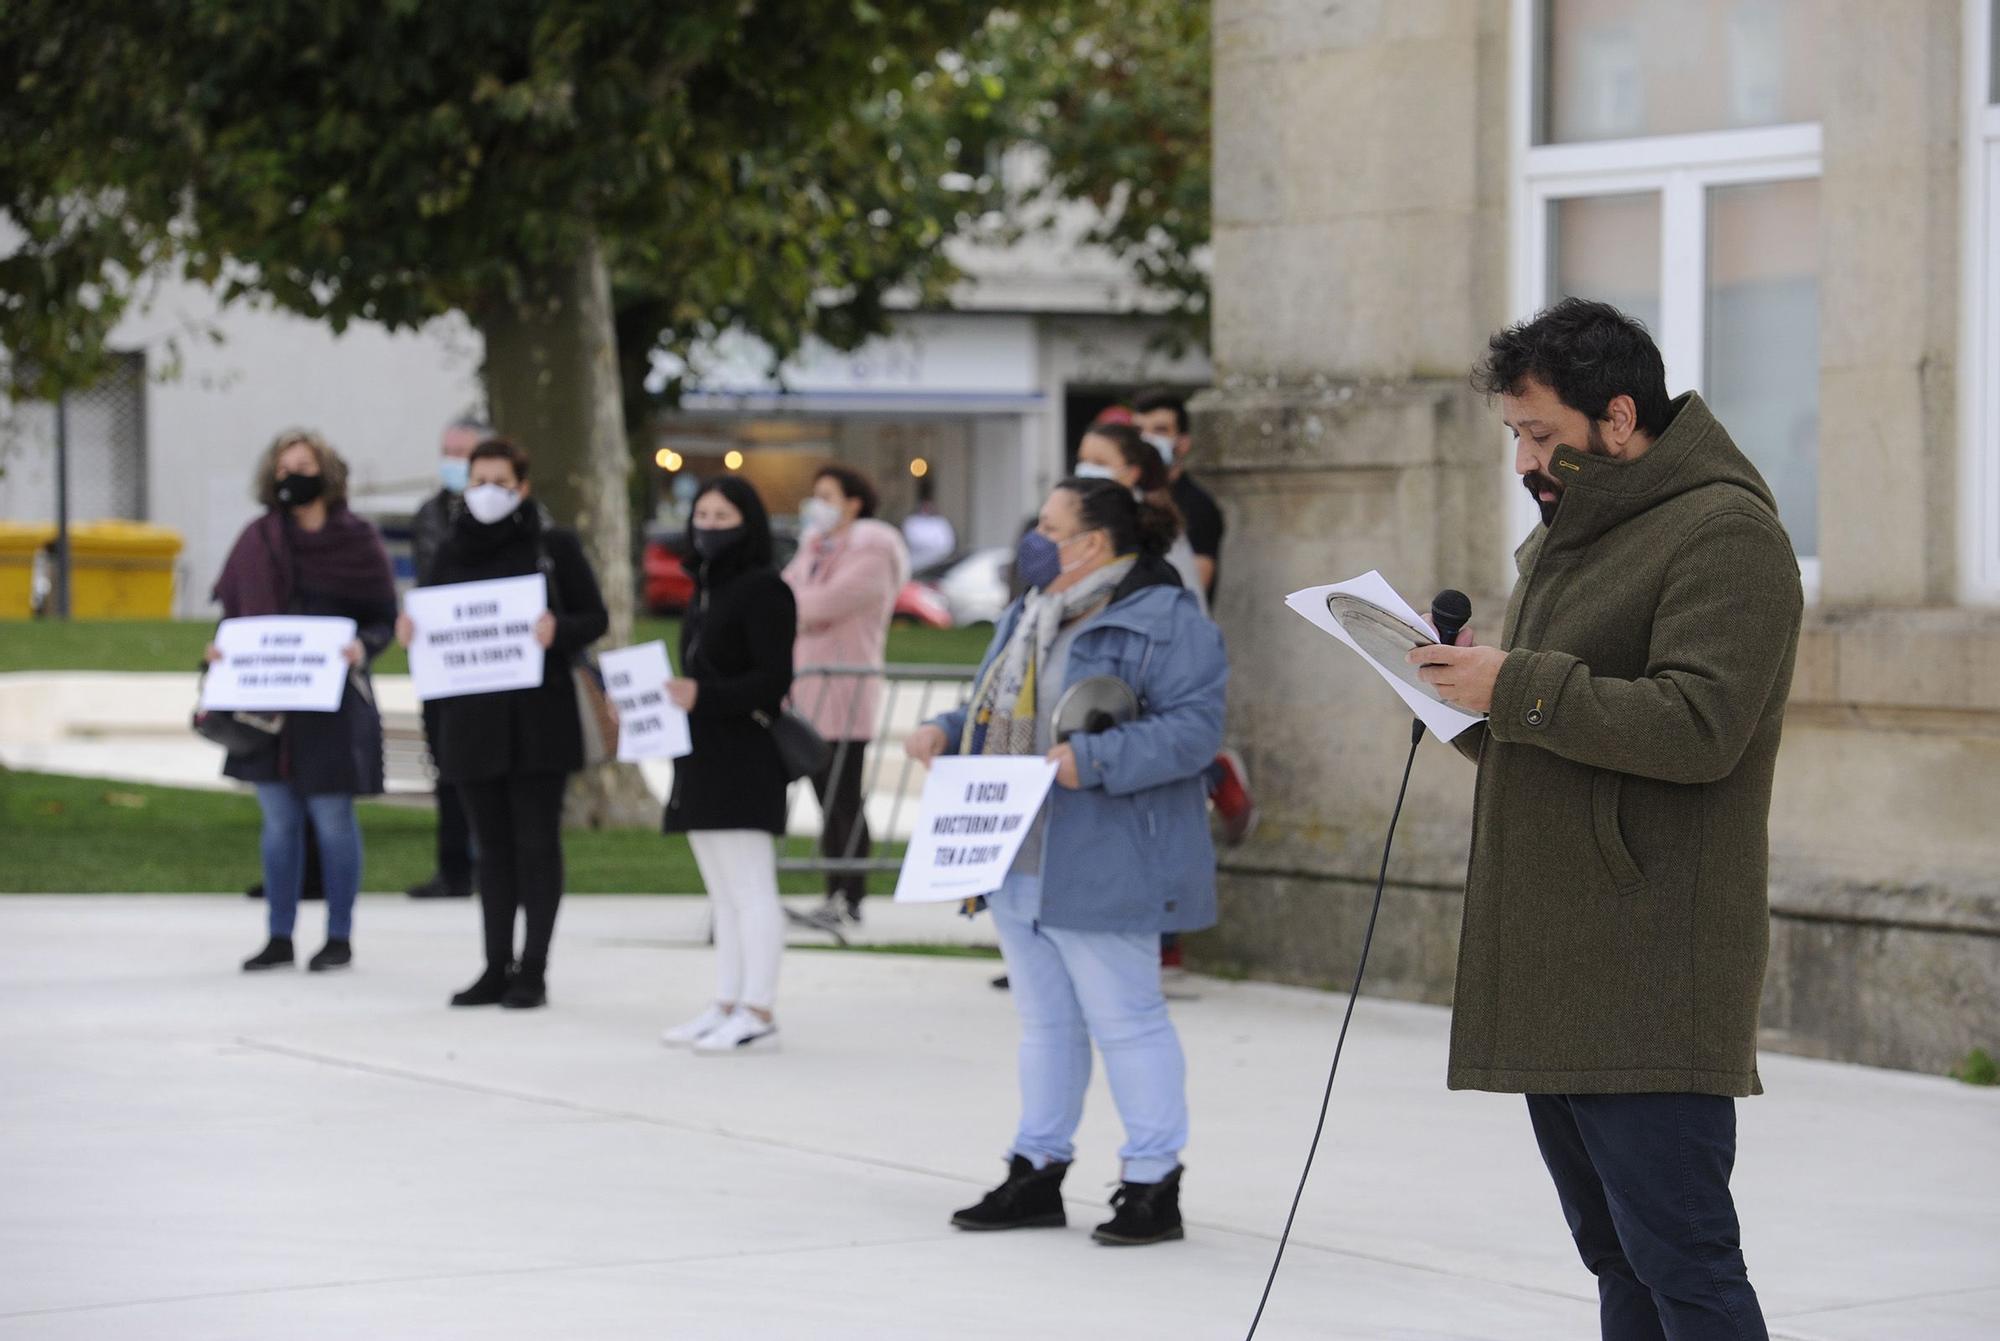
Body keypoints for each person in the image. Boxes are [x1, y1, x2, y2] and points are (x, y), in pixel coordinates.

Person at [1410, 298, 1801, 1340]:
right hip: (1559, 954)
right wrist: (1454, 698)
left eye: (1538, 434)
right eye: (1512, 436)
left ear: (1617, 419)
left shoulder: (1724, 532)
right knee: (1616, 1261)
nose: (1523, 460)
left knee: (1684, 1264)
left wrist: (1515, 687)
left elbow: (1698, 725)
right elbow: (1553, 726)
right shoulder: (1574, 536)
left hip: (1646, 965)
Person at [907, 477, 1227, 1247]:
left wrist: (1097, 757)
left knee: (1127, 1020)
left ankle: (1153, 1182)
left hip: (1107, 851)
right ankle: (1037, 1167)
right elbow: (995, 704)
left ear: (1091, 543)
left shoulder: (1167, 617)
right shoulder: (1030, 611)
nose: (1034, 536)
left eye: (1049, 525)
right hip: (1017, 850)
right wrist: (946, 729)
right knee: (1045, 1022)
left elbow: (1195, 730)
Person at [399, 437, 608, 1011]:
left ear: (523, 487)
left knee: (537, 844)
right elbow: (435, 621)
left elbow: (595, 616)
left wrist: (556, 631)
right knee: (490, 849)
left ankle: (533, 969)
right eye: (478, 481)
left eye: (501, 482)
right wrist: (413, 632)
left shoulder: (553, 545)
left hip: (539, 722)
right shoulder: (450, 550)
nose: (488, 493)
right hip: (470, 724)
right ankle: (495, 965)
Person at [212, 429, 397, 974]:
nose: (293, 477)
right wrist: (220, 652)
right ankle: (279, 936)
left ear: (327, 473)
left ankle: (338, 935)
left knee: (332, 818)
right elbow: (234, 614)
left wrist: (364, 646)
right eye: (284, 469)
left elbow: (383, 617)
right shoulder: (257, 539)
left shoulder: (357, 541)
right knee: (277, 823)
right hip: (266, 707)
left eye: (303, 466)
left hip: (333, 707)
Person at [659, 477, 798, 1055]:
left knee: (751, 889)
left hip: (744, 754)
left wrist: (703, 697)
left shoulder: (766, 589)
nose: (709, 527)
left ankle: (757, 1006)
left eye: (723, 517)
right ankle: (727, 999)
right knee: (723, 894)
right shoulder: (704, 589)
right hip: (702, 753)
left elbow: (772, 681)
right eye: (702, 516)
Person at [781, 465, 910, 928]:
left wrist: (798, 601)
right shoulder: (814, 549)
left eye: (828, 495)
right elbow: (786, 594)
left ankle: (850, 894)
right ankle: (833, 891)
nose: (819, 504)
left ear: (854, 502)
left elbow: (817, 605)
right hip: (808, 694)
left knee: (843, 799)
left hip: (846, 695)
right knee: (823, 799)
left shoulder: (873, 553)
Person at [405, 417, 487, 901]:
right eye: (448, 451)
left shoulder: (521, 518)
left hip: (489, 663)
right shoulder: (430, 514)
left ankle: (491, 866)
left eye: (464, 452)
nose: (453, 461)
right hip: (443, 662)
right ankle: (452, 868)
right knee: (447, 765)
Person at [1072, 421, 1206, 615]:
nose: (1087, 469)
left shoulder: (1154, 527)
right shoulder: (1082, 518)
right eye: (1083, 460)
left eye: (1100, 463)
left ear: (1131, 473)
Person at [1132, 389, 1222, 604]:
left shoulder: (1198, 506)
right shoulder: (1127, 496)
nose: (1147, 439)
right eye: (1138, 430)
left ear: (1183, 443)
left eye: (1160, 430)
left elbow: (1194, 589)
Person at [901, 479, 956, 572]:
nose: (927, 508)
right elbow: (914, 540)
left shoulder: (940, 522)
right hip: (916, 565)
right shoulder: (912, 522)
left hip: (939, 564)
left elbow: (947, 543)